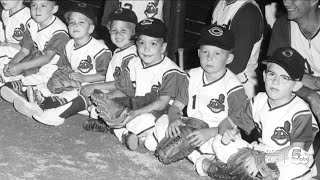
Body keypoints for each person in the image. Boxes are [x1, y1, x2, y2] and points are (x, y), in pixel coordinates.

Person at [198, 47, 318, 179]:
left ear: (296, 85)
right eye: (272, 74)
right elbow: (227, 123)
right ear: (264, 76)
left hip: (291, 157)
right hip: (262, 151)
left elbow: (297, 150)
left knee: (295, 169)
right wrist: (228, 133)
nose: (276, 81)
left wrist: (263, 160)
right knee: (219, 141)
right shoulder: (259, 101)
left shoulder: (300, 111)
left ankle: (226, 171)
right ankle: (246, 173)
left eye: (285, 78)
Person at [144, 24, 247, 167]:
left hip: (216, 132)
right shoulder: (192, 75)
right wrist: (174, 119)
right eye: (205, 52)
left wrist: (209, 133)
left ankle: (200, 157)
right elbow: (176, 107)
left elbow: (237, 126)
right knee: (163, 121)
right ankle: (200, 158)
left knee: (223, 144)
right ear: (198, 53)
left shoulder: (234, 87)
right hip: (191, 128)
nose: (209, 58)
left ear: (229, 58)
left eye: (217, 53)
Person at [29, 8, 138, 124]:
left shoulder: (131, 56)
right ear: (109, 31)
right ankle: (46, 104)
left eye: (123, 30)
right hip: (108, 91)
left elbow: (124, 86)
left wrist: (91, 84)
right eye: (114, 30)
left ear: (134, 32)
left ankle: (58, 114)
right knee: (71, 88)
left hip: (124, 99)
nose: (118, 34)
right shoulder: (120, 51)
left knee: (88, 92)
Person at [12, 3, 113, 118]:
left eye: (81, 22)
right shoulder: (69, 44)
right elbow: (63, 66)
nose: (75, 25)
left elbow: (106, 76)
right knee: (49, 83)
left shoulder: (100, 50)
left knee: (69, 94)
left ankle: (46, 107)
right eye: (71, 22)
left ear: (90, 28)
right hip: (78, 81)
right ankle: (35, 99)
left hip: (94, 86)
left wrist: (83, 79)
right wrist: (64, 81)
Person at [0, 0, 69, 105]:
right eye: (34, 5)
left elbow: (47, 58)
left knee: (45, 76)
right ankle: (18, 86)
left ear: (54, 9)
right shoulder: (32, 23)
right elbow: (24, 50)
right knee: (14, 69)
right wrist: (13, 63)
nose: (37, 9)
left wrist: (22, 66)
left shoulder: (59, 30)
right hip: (36, 58)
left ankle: (35, 95)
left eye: (43, 5)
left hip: (56, 65)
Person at [267, 0, 320, 121]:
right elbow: (276, 75)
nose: (286, 2)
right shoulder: (283, 25)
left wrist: (312, 82)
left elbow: (287, 76)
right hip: (298, 95)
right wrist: (310, 95)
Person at [211, 0, 264, 98]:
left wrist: (203, 76)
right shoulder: (220, 3)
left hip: (240, 82)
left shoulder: (248, 11)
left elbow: (238, 64)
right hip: (217, 75)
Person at [0, 0, 31, 84]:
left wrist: (8, 44)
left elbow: (32, 48)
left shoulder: (29, 16)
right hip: (8, 48)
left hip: (22, 53)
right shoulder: (5, 12)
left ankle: (14, 83)